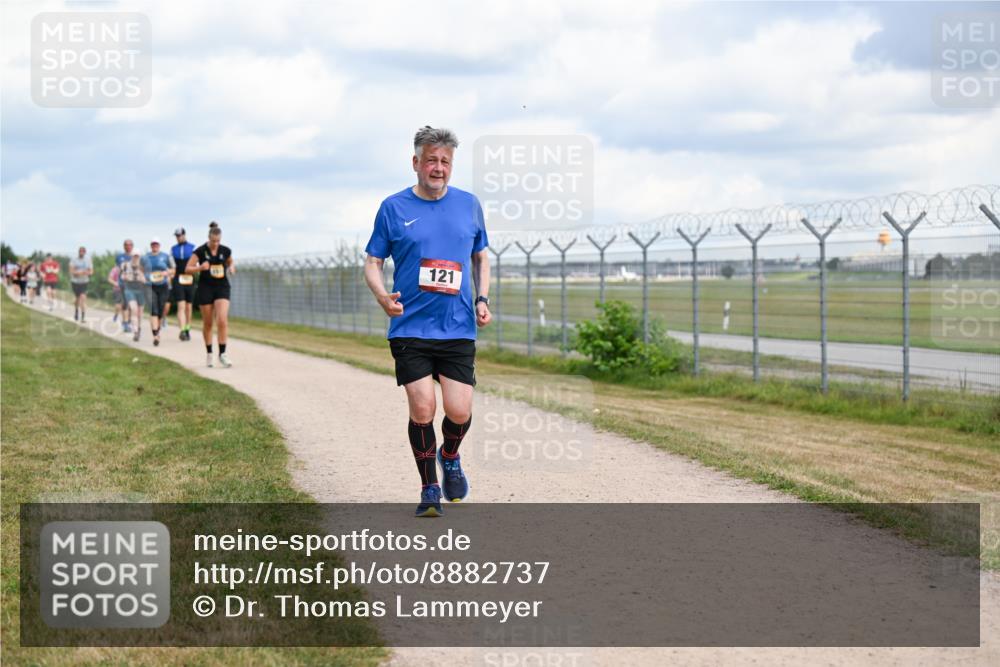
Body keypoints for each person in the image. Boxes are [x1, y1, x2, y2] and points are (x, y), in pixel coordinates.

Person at [363, 126, 491, 517]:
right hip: (410, 328)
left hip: (456, 328)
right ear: (416, 162)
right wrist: (383, 296)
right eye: (431, 160)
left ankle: (449, 456)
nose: (438, 168)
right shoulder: (393, 207)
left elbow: (481, 255)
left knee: (459, 412)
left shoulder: (468, 205)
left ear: (451, 166)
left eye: (445, 162)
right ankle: (429, 488)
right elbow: (372, 262)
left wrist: (482, 297)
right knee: (423, 410)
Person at [186, 222, 234, 368]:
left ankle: (223, 354)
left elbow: (231, 262)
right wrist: (200, 267)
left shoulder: (225, 250)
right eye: (213, 241)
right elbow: (188, 268)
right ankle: (209, 354)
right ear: (209, 238)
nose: (215, 244)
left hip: (222, 287)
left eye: (218, 241)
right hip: (205, 288)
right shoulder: (200, 251)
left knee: (222, 319)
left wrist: (231, 267)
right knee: (208, 323)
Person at [142, 238, 176, 347]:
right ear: (151, 245)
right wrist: (142, 277)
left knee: (161, 309)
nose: (154, 246)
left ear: (159, 245)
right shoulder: (145, 257)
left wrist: (167, 272)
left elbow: (174, 269)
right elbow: (139, 269)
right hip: (150, 286)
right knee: (154, 309)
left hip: (163, 286)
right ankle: (155, 335)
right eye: (153, 244)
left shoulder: (166, 256)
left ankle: (157, 330)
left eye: (156, 244)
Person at [168, 227, 196, 341]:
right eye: (176, 236)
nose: (178, 238)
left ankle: (188, 328)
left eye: (179, 235)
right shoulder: (172, 249)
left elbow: (196, 263)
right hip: (178, 278)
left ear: (184, 235)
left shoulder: (193, 248)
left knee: (189, 307)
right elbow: (172, 265)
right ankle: (182, 330)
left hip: (189, 279)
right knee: (181, 306)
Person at [120, 250, 147, 342]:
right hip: (129, 290)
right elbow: (122, 276)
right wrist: (127, 277)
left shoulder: (142, 267)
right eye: (134, 256)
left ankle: (138, 329)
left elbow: (146, 280)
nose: (136, 258)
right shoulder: (125, 265)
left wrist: (141, 278)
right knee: (134, 309)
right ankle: (135, 331)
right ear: (131, 256)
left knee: (140, 313)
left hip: (141, 291)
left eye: (137, 256)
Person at [115, 239, 135, 333]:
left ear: (132, 246)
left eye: (130, 245)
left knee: (132, 304)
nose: (128, 246)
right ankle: (126, 323)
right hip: (123, 283)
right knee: (126, 303)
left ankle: (128, 321)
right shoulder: (120, 257)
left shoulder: (135, 256)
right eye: (126, 245)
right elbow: (118, 269)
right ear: (124, 246)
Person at [69, 246, 93, 322]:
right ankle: (76, 311)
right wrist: (80, 272)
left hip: (84, 282)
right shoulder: (74, 259)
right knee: (77, 299)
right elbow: (71, 271)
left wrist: (86, 272)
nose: (81, 253)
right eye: (80, 251)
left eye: (83, 251)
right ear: (78, 252)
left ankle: (83, 316)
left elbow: (91, 271)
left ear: (85, 252)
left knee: (83, 297)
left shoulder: (88, 259)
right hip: (75, 282)